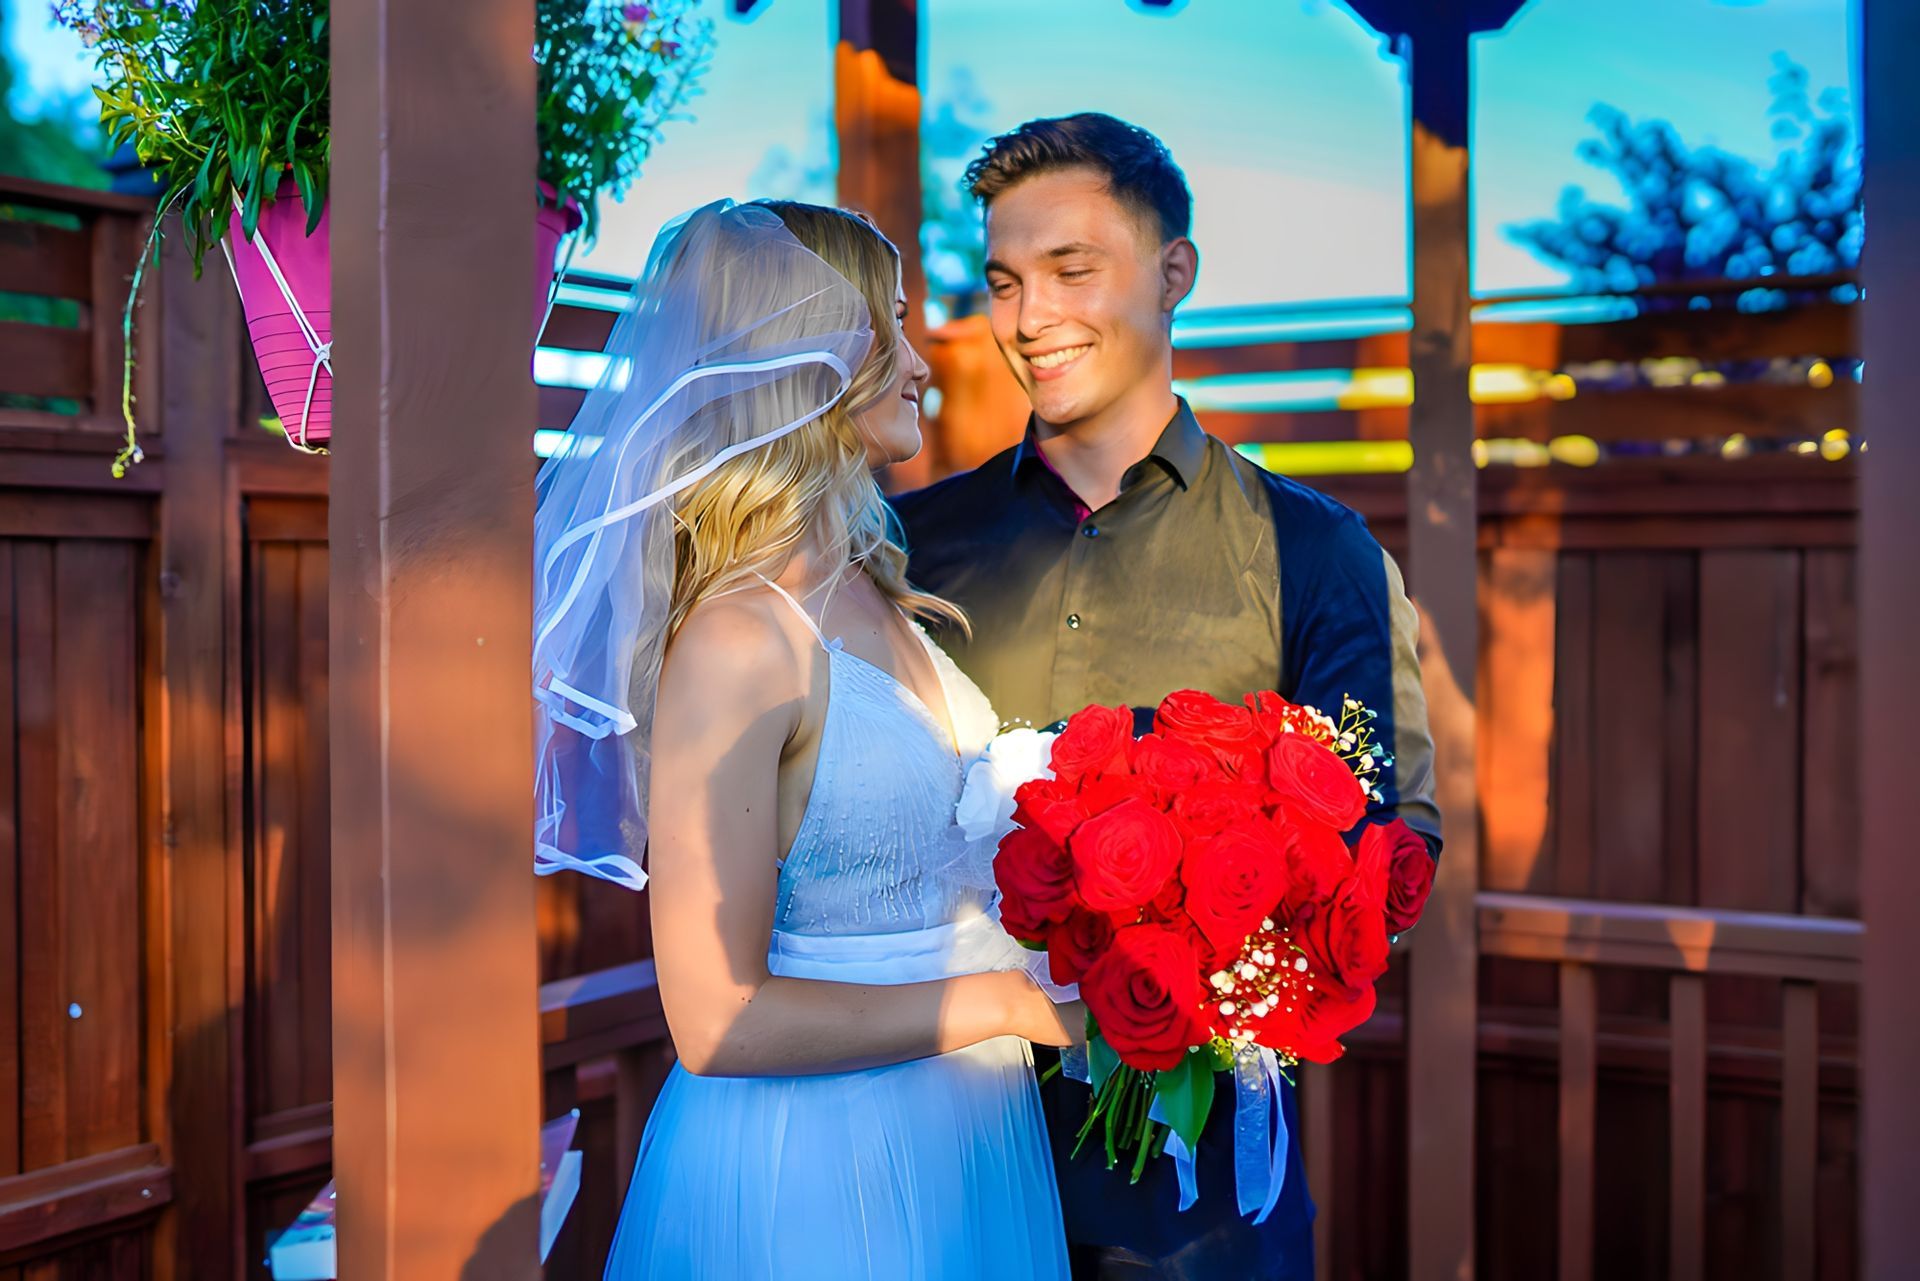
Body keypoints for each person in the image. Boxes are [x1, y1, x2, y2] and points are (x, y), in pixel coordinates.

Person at [894, 113, 1442, 1281]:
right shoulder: (904, 550)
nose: (1029, 317)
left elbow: (1390, 847)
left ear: (1174, 272)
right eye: (1003, 281)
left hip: (1193, 1209)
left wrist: (1214, 939)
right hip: (931, 1162)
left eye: (1070, 272)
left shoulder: (1317, 551)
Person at [531, 199, 1077, 1280]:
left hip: (968, 1129)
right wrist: (1010, 1003)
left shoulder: (874, 585)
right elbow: (716, 1022)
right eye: (895, 324)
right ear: (806, 349)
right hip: (823, 1169)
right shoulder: (738, 637)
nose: (923, 362)